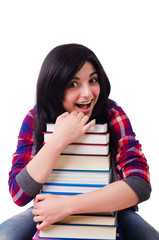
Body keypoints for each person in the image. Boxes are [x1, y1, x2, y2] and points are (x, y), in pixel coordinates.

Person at [0, 43, 158, 240]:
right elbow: (18, 194)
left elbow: (140, 184)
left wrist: (66, 206)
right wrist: (58, 139)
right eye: (73, 84)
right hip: (48, 205)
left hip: (109, 206)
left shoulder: (112, 113)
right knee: (5, 235)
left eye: (93, 80)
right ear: (54, 87)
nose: (88, 94)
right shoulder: (35, 118)